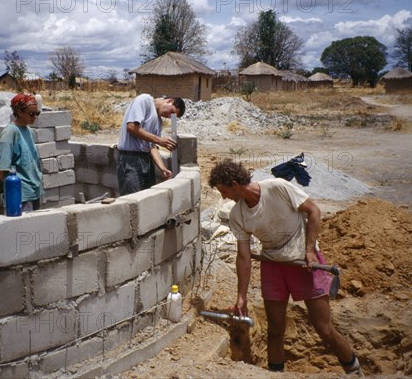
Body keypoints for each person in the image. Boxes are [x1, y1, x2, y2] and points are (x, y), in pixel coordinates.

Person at [208, 159, 361, 375]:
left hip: (302, 261)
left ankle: (355, 371)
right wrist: (241, 296)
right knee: (275, 330)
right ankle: (275, 374)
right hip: (273, 263)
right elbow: (243, 256)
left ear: (234, 184)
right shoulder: (238, 215)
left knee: (324, 328)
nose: (223, 197)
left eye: (224, 191)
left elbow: (314, 211)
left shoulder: (278, 188)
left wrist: (309, 250)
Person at [116, 94, 186, 196]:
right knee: (132, 200)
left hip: (146, 162)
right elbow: (131, 127)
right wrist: (159, 140)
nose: (169, 116)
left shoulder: (158, 121)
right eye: (172, 112)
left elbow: (152, 147)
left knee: (146, 199)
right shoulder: (145, 100)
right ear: (169, 101)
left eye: (172, 116)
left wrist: (163, 169)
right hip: (130, 159)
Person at [0, 92, 43, 212]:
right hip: (21, 195)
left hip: (35, 191)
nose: (35, 117)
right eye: (31, 113)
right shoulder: (10, 133)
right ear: (19, 112)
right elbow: (2, 170)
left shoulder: (29, 131)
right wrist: (13, 193)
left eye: (37, 113)